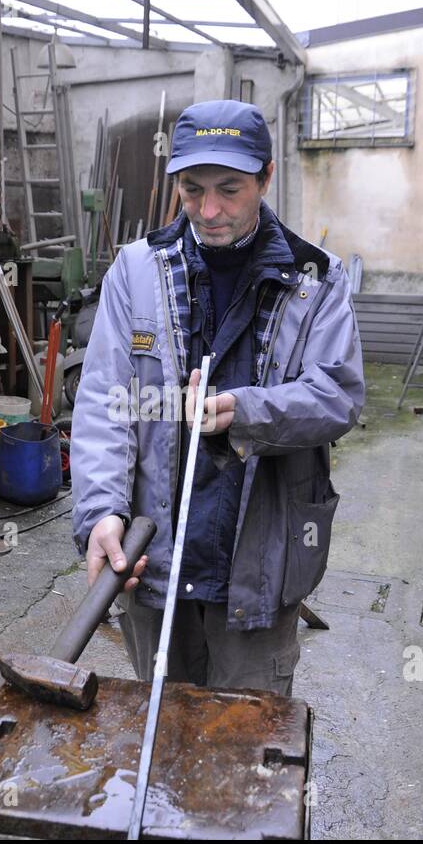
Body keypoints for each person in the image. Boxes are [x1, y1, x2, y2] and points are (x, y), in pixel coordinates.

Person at [70, 99, 365, 696]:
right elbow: (107, 401)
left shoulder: (316, 280)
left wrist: (248, 412)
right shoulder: (136, 271)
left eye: (229, 189)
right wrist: (101, 510)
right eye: (191, 190)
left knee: (247, 746)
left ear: (266, 177)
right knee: (167, 732)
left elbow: (337, 396)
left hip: (259, 561)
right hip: (155, 558)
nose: (209, 211)